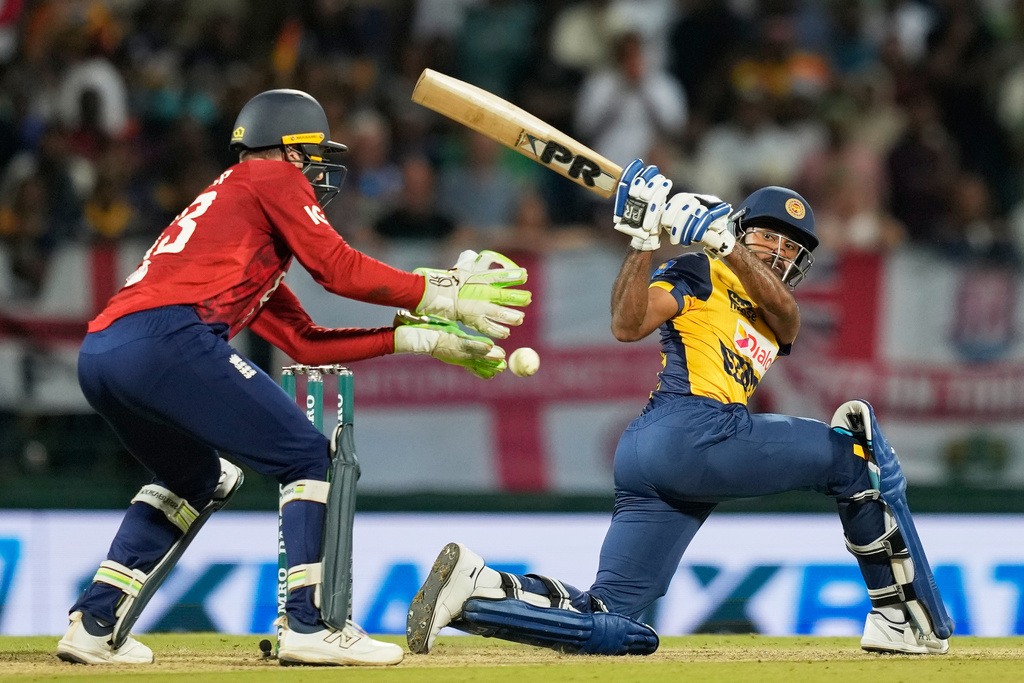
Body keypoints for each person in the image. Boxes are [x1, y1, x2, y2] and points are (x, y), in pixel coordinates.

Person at [55, 88, 531, 667]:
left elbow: (303, 340)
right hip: (167, 339)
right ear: (288, 149)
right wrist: (438, 292)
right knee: (308, 456)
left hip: (105, 351)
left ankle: (94, 621)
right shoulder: (270, 178)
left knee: (195, 476)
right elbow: (336, 269)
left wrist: (417, 336)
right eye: (313, 154)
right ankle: (309, 623)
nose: (320, 171)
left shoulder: (236, 221)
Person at [407, 160, 954, 657]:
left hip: (666, 454)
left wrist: (732, 247)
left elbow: (786, 315)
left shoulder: (771, 304)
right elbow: (627, 325)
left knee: (614, 620)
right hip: (692, 430)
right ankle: (903, 617)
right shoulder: (698, 271)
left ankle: (480, 591)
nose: (780, 253)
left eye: (792, 249)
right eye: (768, 237)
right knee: (854, 452)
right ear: (742, 230)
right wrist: (643, 241)